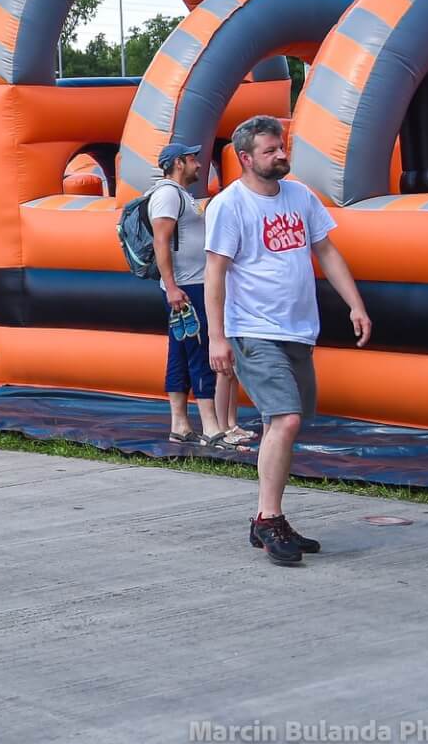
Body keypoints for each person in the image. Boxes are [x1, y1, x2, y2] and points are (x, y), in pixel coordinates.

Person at [206, 116, 373, 567]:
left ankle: (269, 516)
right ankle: (268, 519)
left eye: (282, 147)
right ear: (245, 158)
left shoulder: (300, 196)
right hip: (254, 330)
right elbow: (215, 273)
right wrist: (217, 338)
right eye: (270, 150)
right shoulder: (229, 205)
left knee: (290, 421)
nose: (281, 155)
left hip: (299, 329)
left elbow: (327, 251)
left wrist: (354, 305)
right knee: (286, 419)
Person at [148, 142, 247, 448]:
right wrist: (173, 286)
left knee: (179, 353)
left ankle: (179, 424)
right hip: (189, 287)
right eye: (193, 159)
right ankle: (212, 427)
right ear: (178, 163)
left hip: (187, 285)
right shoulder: (167, 194)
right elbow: (161, 241)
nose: (199, 165)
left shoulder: (181, 196)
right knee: (201, 351)